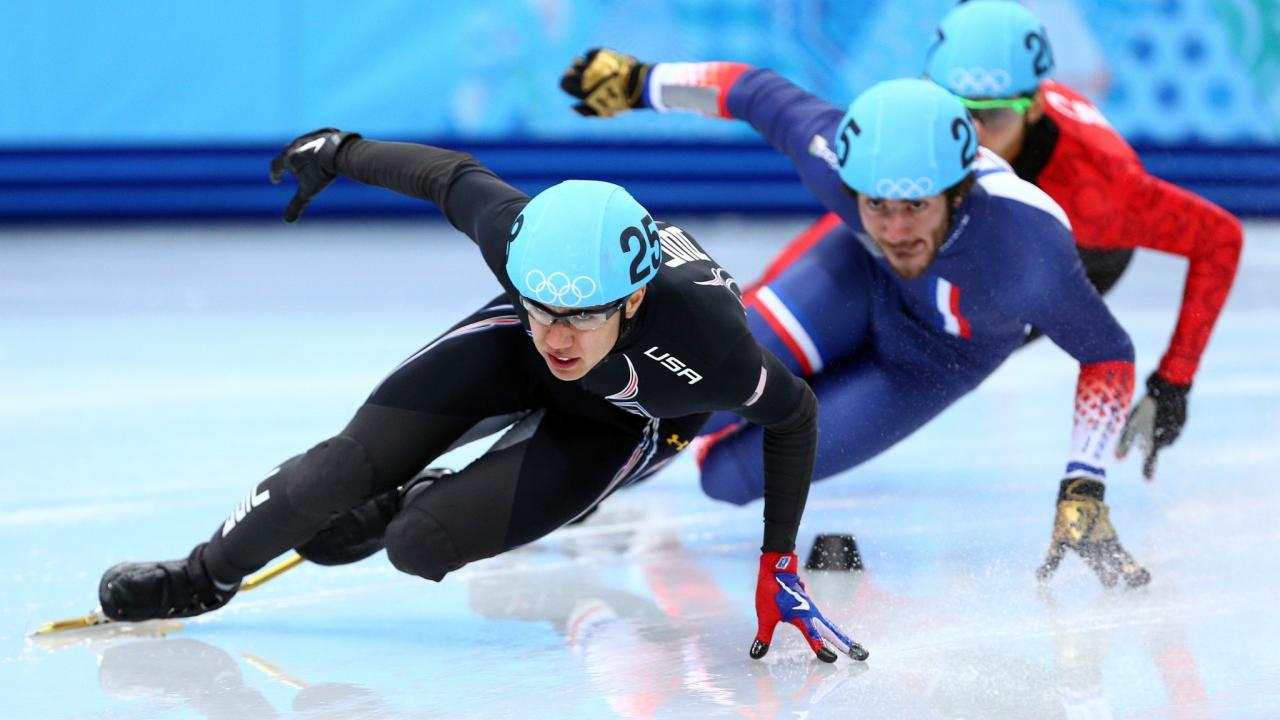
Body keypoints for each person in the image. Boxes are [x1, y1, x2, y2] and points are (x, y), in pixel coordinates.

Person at [96, 129, 867, 663]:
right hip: (507, 355)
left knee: (417, 545)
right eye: (543, 308)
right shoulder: (521, 243)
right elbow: (450, 177)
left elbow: (795, 414)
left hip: (626, 420)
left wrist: (778, 561)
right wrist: (339, 150)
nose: (558, 335)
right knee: (332, 474)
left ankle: (412, 501)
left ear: (633, 301)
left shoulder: (708, 349)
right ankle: (202, 577)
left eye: (581, 316)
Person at [561, 59, 1150, 586]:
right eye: (876, 206)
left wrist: (1083, 486)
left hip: (936, 361)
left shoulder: (1026, 248)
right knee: (679, 397)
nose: (895, 230)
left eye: (916, 206)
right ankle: (564, 485)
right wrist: (640, 82)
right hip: (860, 279)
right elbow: (750, 90)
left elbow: (1108, 352)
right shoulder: (833, 158)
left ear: (960, 190)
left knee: (726, 477)